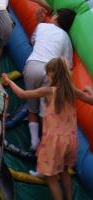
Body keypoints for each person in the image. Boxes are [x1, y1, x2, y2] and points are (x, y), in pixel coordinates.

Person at [2, 57, 93, 200]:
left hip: (53, 141)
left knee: (51, 177)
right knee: (64, 171)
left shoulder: (49, 91)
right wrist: (89, 90)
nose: (47, 76)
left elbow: (23, 94)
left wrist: (8, 81)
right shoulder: (72, 90)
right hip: (70, 140)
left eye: (49, 73)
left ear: (53, 74)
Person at [24, 8, 76, 151]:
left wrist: (40, 22)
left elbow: (32, 41)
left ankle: (34, 141)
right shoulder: (66, 38)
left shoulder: (42, 26)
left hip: (32, 65)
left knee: (32, 107)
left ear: (55, 16)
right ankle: (45, 145)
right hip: (50, 72)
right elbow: (68, 65)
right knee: (44, 111)